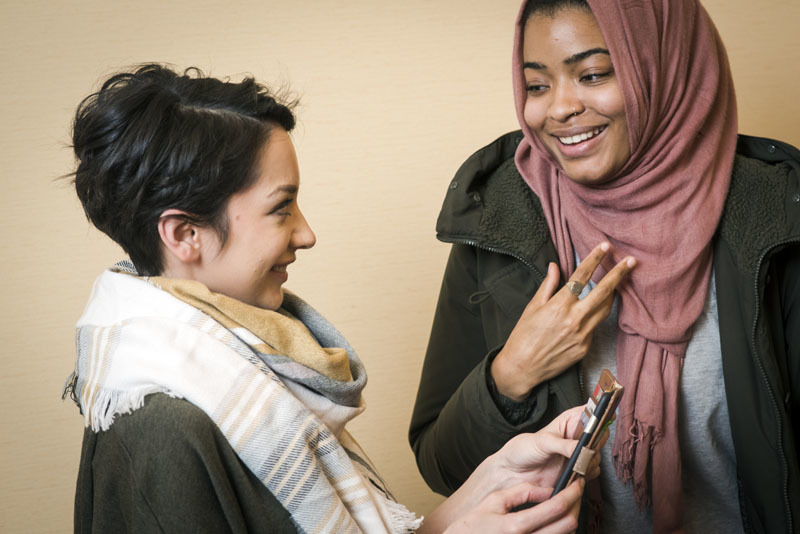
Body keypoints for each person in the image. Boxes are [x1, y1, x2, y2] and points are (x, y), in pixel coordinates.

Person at [62, 64, 600, 534]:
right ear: (184, 235)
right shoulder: (162, 428)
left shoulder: (240, 374)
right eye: (281, 208)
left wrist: (498, 476)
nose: (306, 234)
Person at [408, 0, 800, 532]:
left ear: (666, 69)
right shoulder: (499, 220)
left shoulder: (775, 215)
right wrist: (511, 375)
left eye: (591, 74)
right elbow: (442, 466)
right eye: (538, 85)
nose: (558, 109)